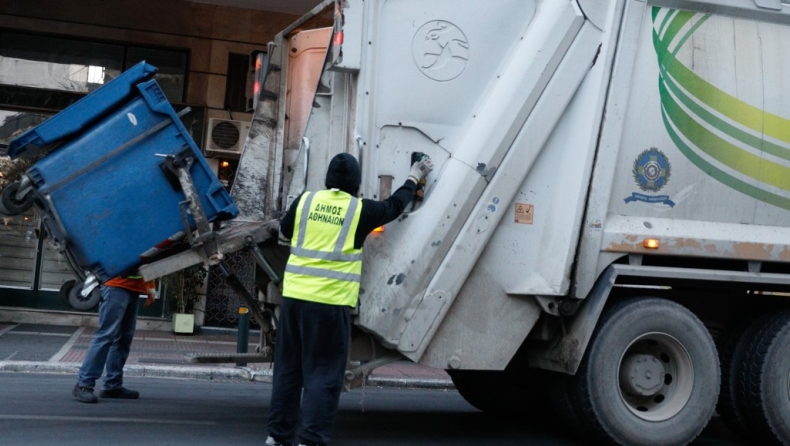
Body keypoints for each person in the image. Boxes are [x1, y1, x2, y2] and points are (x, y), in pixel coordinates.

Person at [266, 152, 434, 446]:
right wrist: (414, 175)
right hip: (330, 306)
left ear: (328, 179)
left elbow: (285, 231)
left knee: (288, 371)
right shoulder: (360, 211)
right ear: (356, 184)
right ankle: (310, 440)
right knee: (323, 375)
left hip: (293, 300)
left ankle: (277, 438)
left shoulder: (305, 201)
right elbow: (395, 205)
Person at [72, 275, 155, 403]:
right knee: (106, 335)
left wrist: (150, 286)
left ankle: (112, 386)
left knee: (123, 338)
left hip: (133, 288)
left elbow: (147, 261)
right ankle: (83, 385)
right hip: (115, 285)